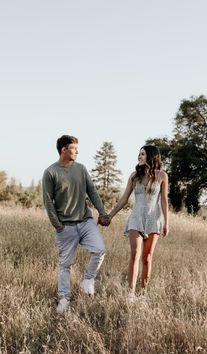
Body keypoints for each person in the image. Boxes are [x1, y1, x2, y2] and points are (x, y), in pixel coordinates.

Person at [42, 135, 110, 314]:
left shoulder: (81, 169)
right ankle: (64, 299)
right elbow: (48, 202)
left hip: (86, 221)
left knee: (99, 250)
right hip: (66, 227)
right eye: (74, 148)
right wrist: (58, 226)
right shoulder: (50, 172)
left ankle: (88, 279)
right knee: (65, 265)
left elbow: (93, 192)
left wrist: (102, 213)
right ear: (64, 149)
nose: (77, 151)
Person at [106, 145, 169, 300]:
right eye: (139, 154)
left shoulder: (162, 176)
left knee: (147, 258)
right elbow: (124, 199)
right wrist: (110, 215)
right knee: (135, 254)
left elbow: (164, 200)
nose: (139, 157)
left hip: (153, 220)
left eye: (142, 154)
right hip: (136, 218)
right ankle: (130, 294)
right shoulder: (134, 176)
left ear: (151, 156)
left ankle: (143, 294)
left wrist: (166, 222)